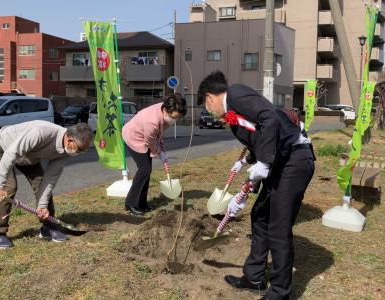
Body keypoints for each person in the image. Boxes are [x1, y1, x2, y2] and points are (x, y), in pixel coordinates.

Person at [197, 71, 315, 300]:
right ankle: (254, 277)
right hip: (279, 161)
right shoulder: (233, 111)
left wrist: (263, 162)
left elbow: (269, 118)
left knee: (278, 228)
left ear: (210, 97)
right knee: (260, 216)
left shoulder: (236, 93)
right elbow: (261, 134)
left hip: (294, 160)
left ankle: (280, 292)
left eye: (205, 104)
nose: (208, 110)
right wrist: (248, 160)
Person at [0, 121, 93, 249]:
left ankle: (48, 227)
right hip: (3, 146)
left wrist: (42, 206)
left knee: (41, 184)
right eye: (80, 149)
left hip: (29, 156)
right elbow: (11, 153)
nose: (80, 153)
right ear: (70, 140)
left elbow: (49, 179)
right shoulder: (41, 132)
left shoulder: (66, 152)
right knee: (9, 187)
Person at [122, 94, 187, 216]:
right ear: (165, 110)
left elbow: (159, 135)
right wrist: (160, 152)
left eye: (177, 118)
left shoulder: (165, 113)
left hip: (145, 137)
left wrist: (162, 149)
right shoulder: (151, 121)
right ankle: (131, 204)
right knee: (144, 170)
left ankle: (142, 203)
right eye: (173, 117)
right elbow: (150, 141)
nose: (174, 120)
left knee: (147, 171)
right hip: (133, 137)